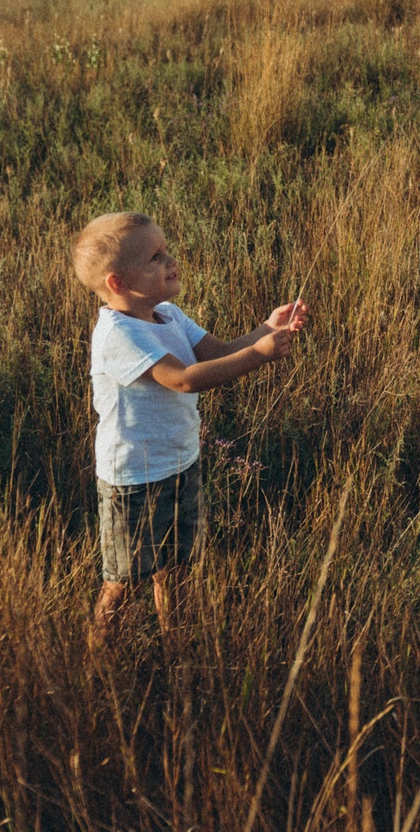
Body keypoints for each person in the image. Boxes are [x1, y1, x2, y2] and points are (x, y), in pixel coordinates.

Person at [72, 211, 310, 647]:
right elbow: (184, 378)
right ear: (118, 283)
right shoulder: (119, 334)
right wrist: (259, 354)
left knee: (177, 568)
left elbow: (215, 353)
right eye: (155, 258)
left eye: (167, 251)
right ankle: (98, 662)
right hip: (134, 478)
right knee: (124, 581)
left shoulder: (167, 315)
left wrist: (265, 328)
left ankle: (175, 647)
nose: (170, 261)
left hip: (180, 464)